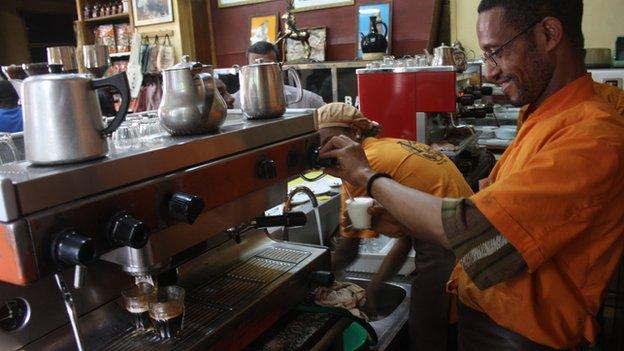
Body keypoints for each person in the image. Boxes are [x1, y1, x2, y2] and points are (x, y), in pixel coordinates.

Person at [320, 0, 624, 349]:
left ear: (548, 34)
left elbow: (481, 232)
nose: (491, 71)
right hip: (489, 323)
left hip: (523, 338)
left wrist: (368, 176)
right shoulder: (542, 117)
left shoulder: (591, 136)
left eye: (496, 52)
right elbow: (501, 211)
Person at [318, 103, 473, 350]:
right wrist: (376, 288)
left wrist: (300, 281)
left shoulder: (363, 164)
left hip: (446, 245)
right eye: (318, 145)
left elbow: (347, 252)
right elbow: (406, 239)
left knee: (425, 333)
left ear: (356, 133)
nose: (323, 151)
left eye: (329, 141)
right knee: (446, 328)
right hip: (461, 236)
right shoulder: (388, 146)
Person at [232, 41, 326, 109]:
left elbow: (331, 116)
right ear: (246, 69)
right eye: (255, 67)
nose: (262, 73)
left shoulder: (308, 99)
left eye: (268, 66)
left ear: (279, 68)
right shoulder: (234, 102)